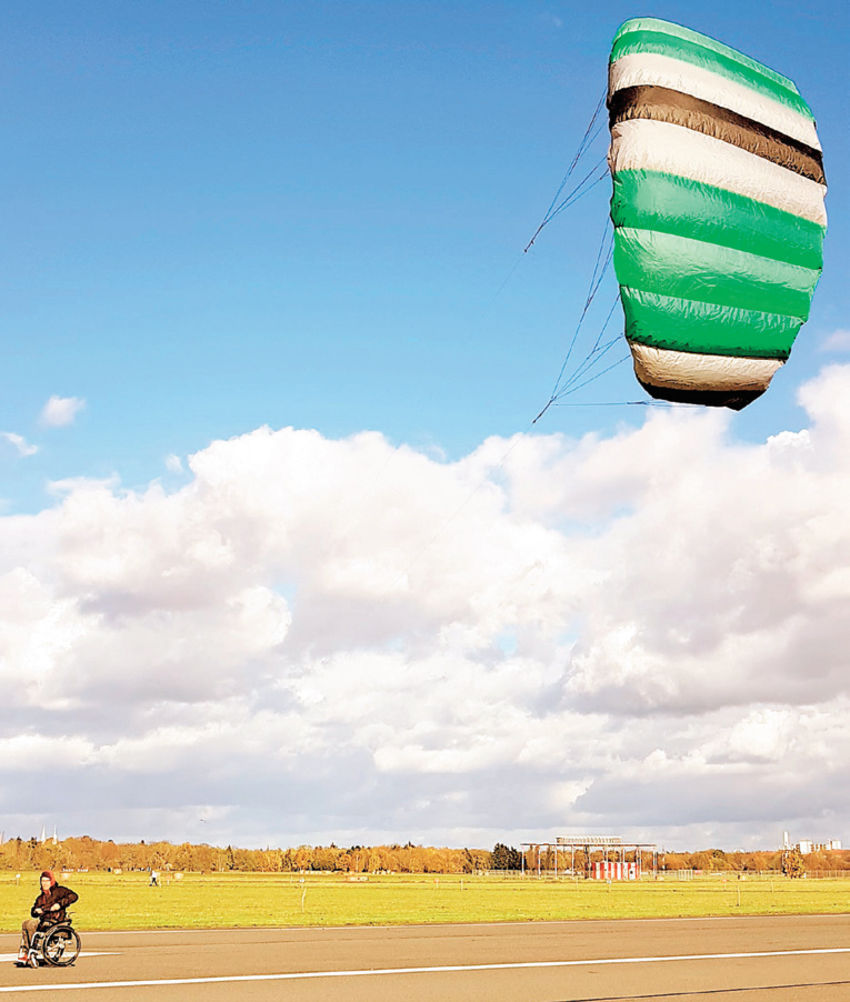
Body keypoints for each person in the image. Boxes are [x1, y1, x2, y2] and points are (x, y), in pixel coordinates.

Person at [18, 871, 78, 966]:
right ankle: (26, 951)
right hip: (44, 921)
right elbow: (33, 912)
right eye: (42, 881)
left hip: (56, 921)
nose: (44, 883)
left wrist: (59, 904)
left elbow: (74, 896)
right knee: (25, 923)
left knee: (31, 925)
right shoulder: (41, 898)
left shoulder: (60, 891)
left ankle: (31, 951)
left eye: (47, 881)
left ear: (51, 881)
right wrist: (36, 911)